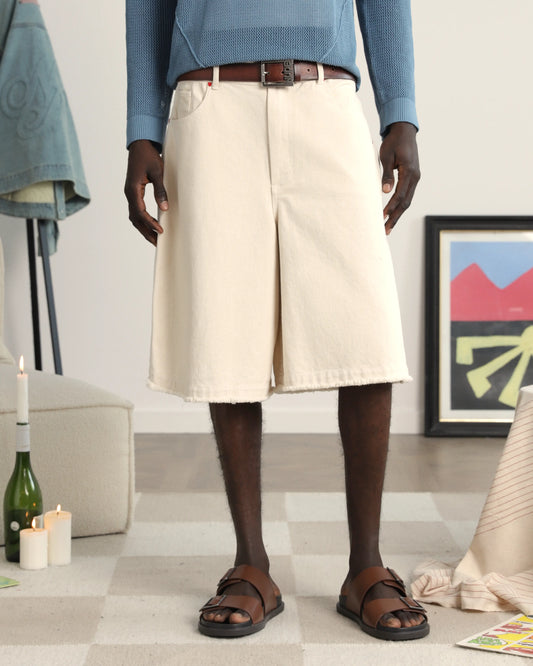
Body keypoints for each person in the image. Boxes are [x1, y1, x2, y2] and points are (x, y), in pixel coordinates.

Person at [125, 0, 429, 642]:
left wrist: (400, 114)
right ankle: (251, 565)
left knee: (364, 331)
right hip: (209, 106)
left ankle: (366, 567)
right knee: (225, 328)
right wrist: (141, 129)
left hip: (327, 99)